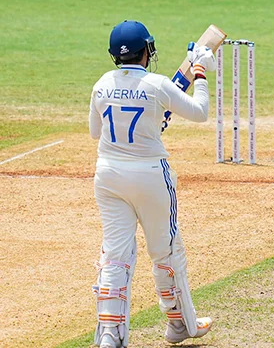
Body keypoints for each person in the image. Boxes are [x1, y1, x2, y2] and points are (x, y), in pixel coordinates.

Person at [89, 20, 215, 348]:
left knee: (115, 255)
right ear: (147, 50)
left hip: (108, 176)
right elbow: (200, 112)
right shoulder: (157, 84)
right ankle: (178, 323)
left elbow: (95, 132)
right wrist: (200, 71)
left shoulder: (101, 84)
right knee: (166, 252)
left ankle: (109, 335)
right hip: (150, 176)